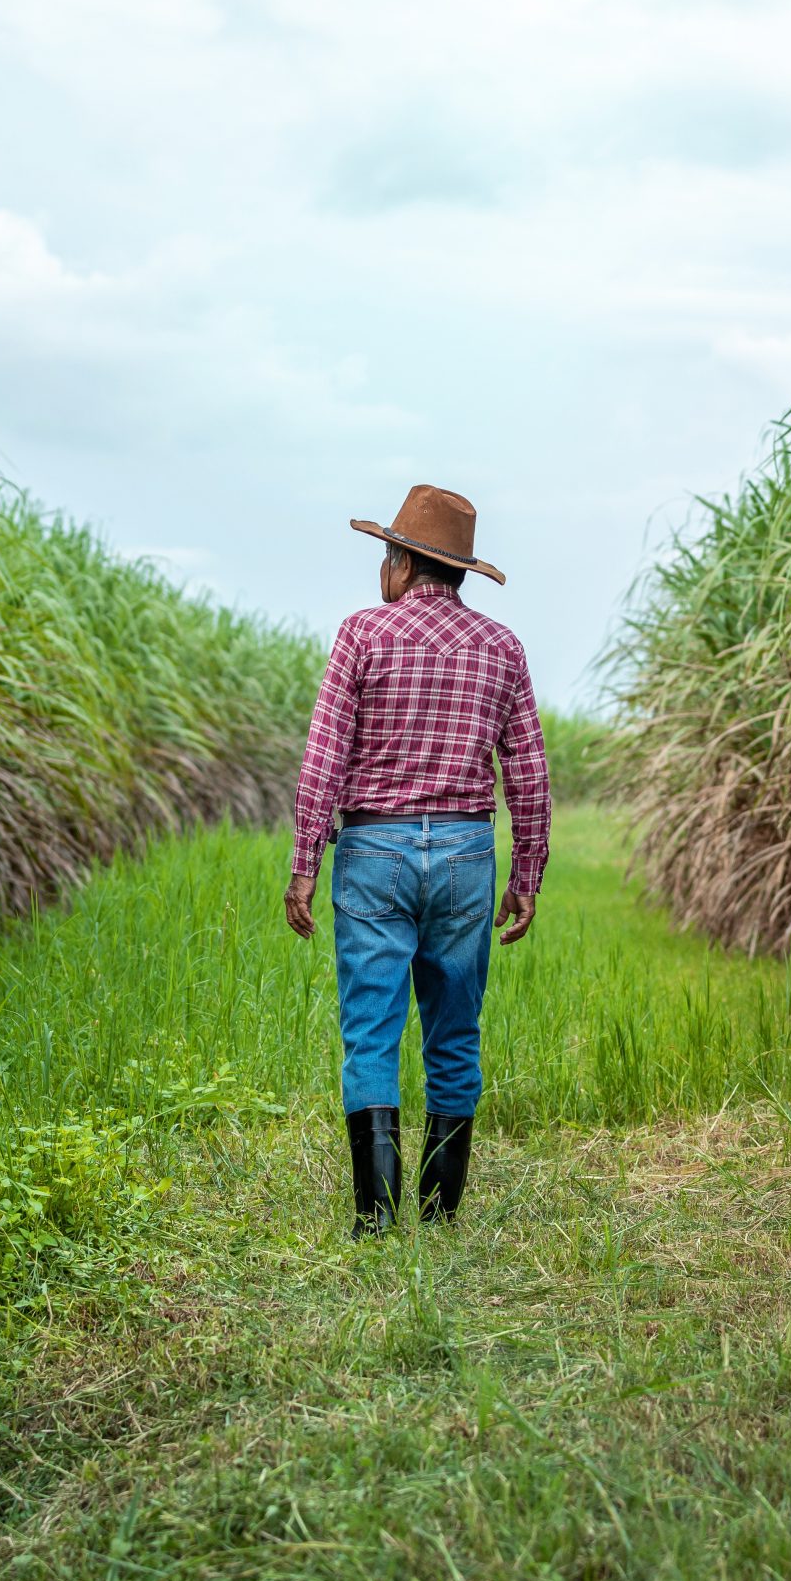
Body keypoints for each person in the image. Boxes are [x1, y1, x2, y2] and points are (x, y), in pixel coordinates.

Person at [284, 484, 550, 1235]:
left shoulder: (362, 635)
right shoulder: (503, 649)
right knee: (454, 1032)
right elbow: (527, 771)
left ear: (402, 563)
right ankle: (437, 1216)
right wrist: (527, 874)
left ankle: (376, 1218)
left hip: (373, 848)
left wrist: (305, 861)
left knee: (371, 1030)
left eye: (386, 556)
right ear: (457, 571)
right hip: (467, 853)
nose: (382, 571)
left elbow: (323, 757)